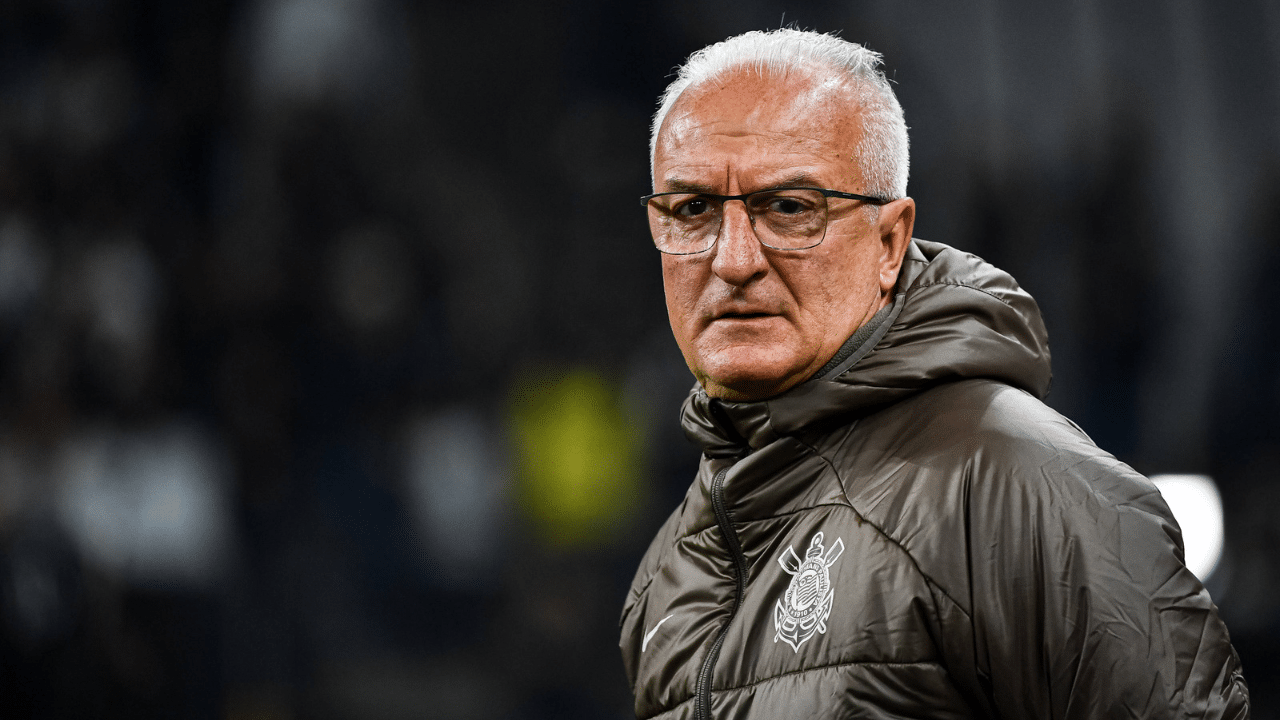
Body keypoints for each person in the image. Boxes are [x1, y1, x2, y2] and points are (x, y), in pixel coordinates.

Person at [619, 28, 1250, 720]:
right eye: (692, 210)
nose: (733, 259)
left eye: (791, 208)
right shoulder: (670, 570)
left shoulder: (1021, 488)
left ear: (890, 242)